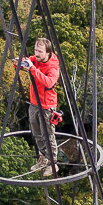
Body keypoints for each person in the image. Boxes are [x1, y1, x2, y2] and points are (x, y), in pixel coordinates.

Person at [19, 37, 61, 177]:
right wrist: (20, 63)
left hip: (47, 106)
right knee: (36, 133)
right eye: (36, 50)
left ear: (48, 52)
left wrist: (32, 68)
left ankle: (53, 163)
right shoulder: (36, 59)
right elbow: (26, 61)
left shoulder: (53, 67)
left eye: (40, 51)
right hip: (34, 103)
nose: (36, 53)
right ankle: (43, 158)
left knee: (48, 135)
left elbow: (48, 82)